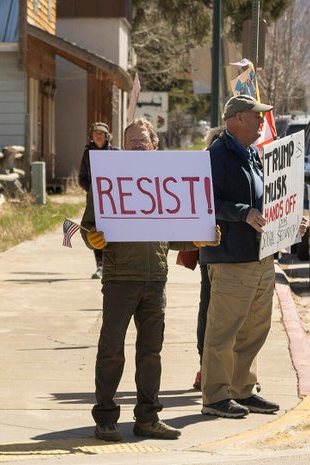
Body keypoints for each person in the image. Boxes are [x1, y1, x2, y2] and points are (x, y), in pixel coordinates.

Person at [81, 117, 213, 442]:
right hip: (118, 280)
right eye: (132, 141)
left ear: (155, 145)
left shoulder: (164, 183)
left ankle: (148, 418)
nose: (138, 145)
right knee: (111, 350)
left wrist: (197, 239)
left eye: (143, 140)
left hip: (155, 282)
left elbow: (170, 237)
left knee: (151, 353)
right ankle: (106, 420)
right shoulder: (107, 181)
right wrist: (91, 238)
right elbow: (88, 226)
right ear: (123, 146)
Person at [201, 95, 306, 419]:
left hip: (260, 257)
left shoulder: (252, 155)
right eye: (256, 116)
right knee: (223, 331)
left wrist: (289, 221)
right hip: (230, 257)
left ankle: (242, 390)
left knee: (253, 329)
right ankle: (215, 396)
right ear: (236, 120)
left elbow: (267, 201)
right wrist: (242, 212)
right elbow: (204, 200)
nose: (262, 122)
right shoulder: (217, 155)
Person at [188, 126, 227, 390]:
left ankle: (237, 368)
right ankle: (205, 366)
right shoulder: (202, 171)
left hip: (239, 253)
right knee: (209, 308)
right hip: (211, 252)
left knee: (233, 314)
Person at [78, 122, 120, 279]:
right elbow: (81, 178)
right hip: (96, 199)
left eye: (101, 133)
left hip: (115, 197)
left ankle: (112, 264)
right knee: (95, 231)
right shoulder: (88, 153)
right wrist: (94, 190)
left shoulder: (115, 152)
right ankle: (100, 265)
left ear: (107, 136)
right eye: (95, 133)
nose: (98, 135)